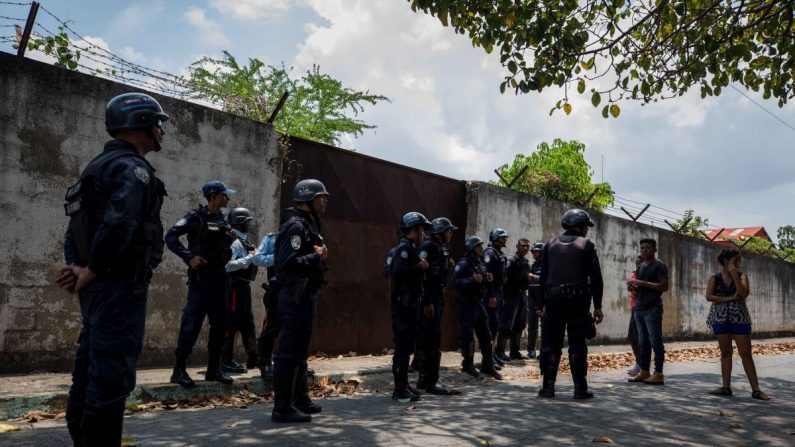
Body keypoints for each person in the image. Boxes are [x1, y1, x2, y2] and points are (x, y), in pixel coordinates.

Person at [56, 92, 168, 446]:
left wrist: (80, 267)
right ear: (140, 124)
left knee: (90, 371)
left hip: (99, 286)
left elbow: (76, 227)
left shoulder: (96, 167)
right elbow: (120, 223)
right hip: (118, 285)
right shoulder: (133, 170)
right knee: (111, 380)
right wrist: (94, 268)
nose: (161, 131)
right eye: (158, 123)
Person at [166, 181, 237, 388]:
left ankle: (214, 369)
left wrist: (230, 240)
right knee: (192, 325)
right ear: (213, 195)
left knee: (220, 326)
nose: (227, 198)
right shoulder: (194, 217)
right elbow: (171, 237)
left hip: (220, 279)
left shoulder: (221, 219)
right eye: (224, 195)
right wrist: (189, 257)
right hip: (201, 281)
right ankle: (178, 370)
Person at [271, 179, 329, 423]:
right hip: (295, 295)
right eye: (321, 197)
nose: (324, 201)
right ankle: (282, 407)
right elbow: (287, 263)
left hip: (305, 295)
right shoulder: (295, 226)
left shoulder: (307, 226)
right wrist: (314, 256)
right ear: (309, 200)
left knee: (299, 351)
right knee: (288, 351)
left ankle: (299, 398)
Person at [538, 209, 604, 399]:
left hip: (553, 299)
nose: (587, 230)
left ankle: (548, 387)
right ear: (579, 225)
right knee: (577, 343)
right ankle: (580, 389)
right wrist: (598, 305)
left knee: (551, 343)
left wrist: (542, 303)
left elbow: (542, 278)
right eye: (586, 226)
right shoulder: (587, 245)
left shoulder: (550, 244)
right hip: (578, 300)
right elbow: (596, 278)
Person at [706, 249, 771, 400]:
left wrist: (735, 275)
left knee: (746, 353)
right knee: (726, 352)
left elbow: (743, 294)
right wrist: (729, 299)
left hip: (740, 318)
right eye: (735, 260)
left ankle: (756, 390)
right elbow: (709, 296)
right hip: (720, 318)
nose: (738, 263)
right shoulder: (714, 278)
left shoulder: (742, 276)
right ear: (726, 261)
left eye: (738, 261)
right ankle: (726, 387)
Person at [389, 212, 432, 403]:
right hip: (402, 305)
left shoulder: (413, 248)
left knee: (407, 347)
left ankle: (405, 385)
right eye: (421, 229)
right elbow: (398, 273)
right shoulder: (404, 249)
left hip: (411, 304)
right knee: (402, 347)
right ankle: (399, 389)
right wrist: (419, 267)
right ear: (414, 230)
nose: (424, 233)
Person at [416, 217, 457, 395]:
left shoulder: (442, 249)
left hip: (438, 296)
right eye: (448, 231)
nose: (450, 234)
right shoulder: (427, 247)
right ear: (440, 232)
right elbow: (423, 279)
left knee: (434, 338)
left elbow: (442, 279)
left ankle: (429, 378)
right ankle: (427, 381)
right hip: (429, 298)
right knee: (429, 339)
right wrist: (427, 302)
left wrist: (449, 268)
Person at [452, 236, 503, 381]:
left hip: (479, 304)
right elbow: (455, 281)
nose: (481, 248)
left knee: (486, 336)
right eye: (478, 246)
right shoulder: (464, 263)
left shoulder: (479, 262)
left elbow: (485, 281)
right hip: (467, 304)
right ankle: (468, 365)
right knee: (467, 337)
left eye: (481, 246)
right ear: (471, 248)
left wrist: (489, 283)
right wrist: (471, 279)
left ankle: (487, 365)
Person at [221, 208, 260, 374]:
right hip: (235, 286)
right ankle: (226, 360)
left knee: (248, 323)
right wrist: (250, 258)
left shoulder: (244, 240)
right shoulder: (234, 241)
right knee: (231, 322)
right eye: (247, 221)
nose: (249, 224)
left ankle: (253, 358)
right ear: (239, 222)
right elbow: (227, 266)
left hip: (243, 287)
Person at [627, 238, 669, 385]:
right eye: (642, 248)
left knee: (655, 341)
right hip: (639, 308)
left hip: (653, 308)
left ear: (655, 250)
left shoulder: (660, 266)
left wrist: (642, 283)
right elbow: (639, 288)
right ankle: (644, 371)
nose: (645, 250)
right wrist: (633, 287)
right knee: (643, 342)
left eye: (648, 248)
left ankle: (659, 373)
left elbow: (664, 286)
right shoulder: (640, 267)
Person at [483, 228, 509, 367]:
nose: (505, 240)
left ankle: (492, 355)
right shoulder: (489, 253)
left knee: (496, 325)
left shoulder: (498, 253)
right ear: (496, 238)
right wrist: (491, 295)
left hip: (499, 292)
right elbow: (488, 277)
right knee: (491, 325)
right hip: (491, 293)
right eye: (503, 237)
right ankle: (487, 358)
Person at [503, 238, 532, 360]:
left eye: (527, 246)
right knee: (506, 324)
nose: (525, 248)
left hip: (522, 295)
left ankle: (515, 351)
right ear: (517, 246)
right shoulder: (511, 260)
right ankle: (500, 351)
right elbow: (504, 277)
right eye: (523, 246)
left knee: (520, 323)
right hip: (511, 295)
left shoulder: (525, 262)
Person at [626, 255, 644, 377]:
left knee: (640, 337)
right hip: (635, 307)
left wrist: (637, 287)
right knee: (632, 336)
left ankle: (642, 365)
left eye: (640, 264)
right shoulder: (635, 274)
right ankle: (640, 363)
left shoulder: (649, 275)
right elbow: (631, 286)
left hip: (644, 308)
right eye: (637, 264)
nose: (638, 267)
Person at [526, 242, 544, 359]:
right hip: (532, 297)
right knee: (532, 326)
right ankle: (531, 349)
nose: (534, 253)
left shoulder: (548, 264)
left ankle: (544, 350)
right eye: (533, 251)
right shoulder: (533, 265)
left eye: (536, 251)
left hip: (544, 299)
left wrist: (534, 277)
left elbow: (546, 279)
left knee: (545, 326)